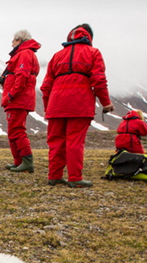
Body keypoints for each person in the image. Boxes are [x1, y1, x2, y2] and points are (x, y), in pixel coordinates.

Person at [40, 23, 115, 188]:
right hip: (80, 104)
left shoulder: (57, 56)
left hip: (56, 105)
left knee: (56, 142)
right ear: (89, 37)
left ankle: (54, 176)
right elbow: (98, 80)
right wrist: (106, 102)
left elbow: (46, 87)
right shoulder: (93, 53)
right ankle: (74, 178)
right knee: (75, 141)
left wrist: (48, 108)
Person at [0, 29, 41, 173]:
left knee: (17, 131)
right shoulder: (25, 54)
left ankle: (27, 162)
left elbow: (22, 77)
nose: (11, 44)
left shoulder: (24, 54)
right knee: (13, 132)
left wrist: (11, 95)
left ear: (19, 40)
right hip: (17, 99)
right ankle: (19, 162)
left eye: (13, 41)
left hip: (17, 100)